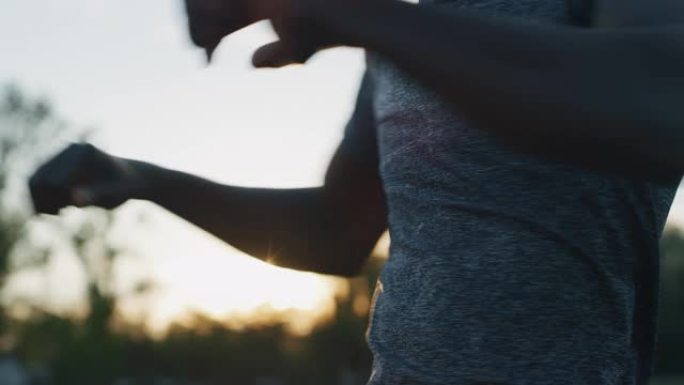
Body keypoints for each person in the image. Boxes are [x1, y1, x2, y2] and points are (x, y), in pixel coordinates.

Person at [28, 0, 684, 383]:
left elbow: (661, 103)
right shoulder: (411, 32)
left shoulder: (400, 26)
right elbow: (334, 232)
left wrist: (360, 14)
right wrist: (146, 179)